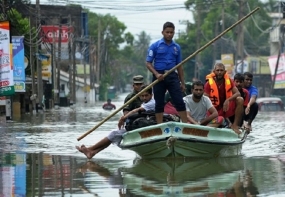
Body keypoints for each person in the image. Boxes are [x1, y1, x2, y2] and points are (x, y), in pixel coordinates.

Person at [76, 85, 155, 159]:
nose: (144, 98)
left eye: (146, 95)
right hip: (140, 126)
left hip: (145, 127)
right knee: (114, 135)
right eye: (142, 96)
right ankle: (92, 151)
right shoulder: (143, 102)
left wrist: (123, 118)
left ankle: (90, 149)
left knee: (114, 134)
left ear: (151, 95)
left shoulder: (152, 102)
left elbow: (136, 110)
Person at [146, 21, 188, 124]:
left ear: (174, 33)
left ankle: (186, 124)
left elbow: (179, 66)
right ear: (163, 32)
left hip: (172, 75)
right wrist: (156, 74)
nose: (169, 34)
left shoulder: (176, 47)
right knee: (159, 103)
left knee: (179, 101)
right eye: (167, 32)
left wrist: (182, 83)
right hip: (159, 76)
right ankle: (159, 125)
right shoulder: (155, 46)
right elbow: (148, 63)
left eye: (171, 32)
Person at [204, 63, 244, 134]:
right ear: (214, 71)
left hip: (226, 108)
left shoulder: (229, 81)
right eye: (218, 70)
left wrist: (228, 100)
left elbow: (238, 93)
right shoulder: (208, 84)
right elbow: (205, 99)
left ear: (225, 72)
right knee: (218, 119)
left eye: (221, 70)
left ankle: (235, 125)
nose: (219, 72)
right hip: (214, 110)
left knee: (240, 99)